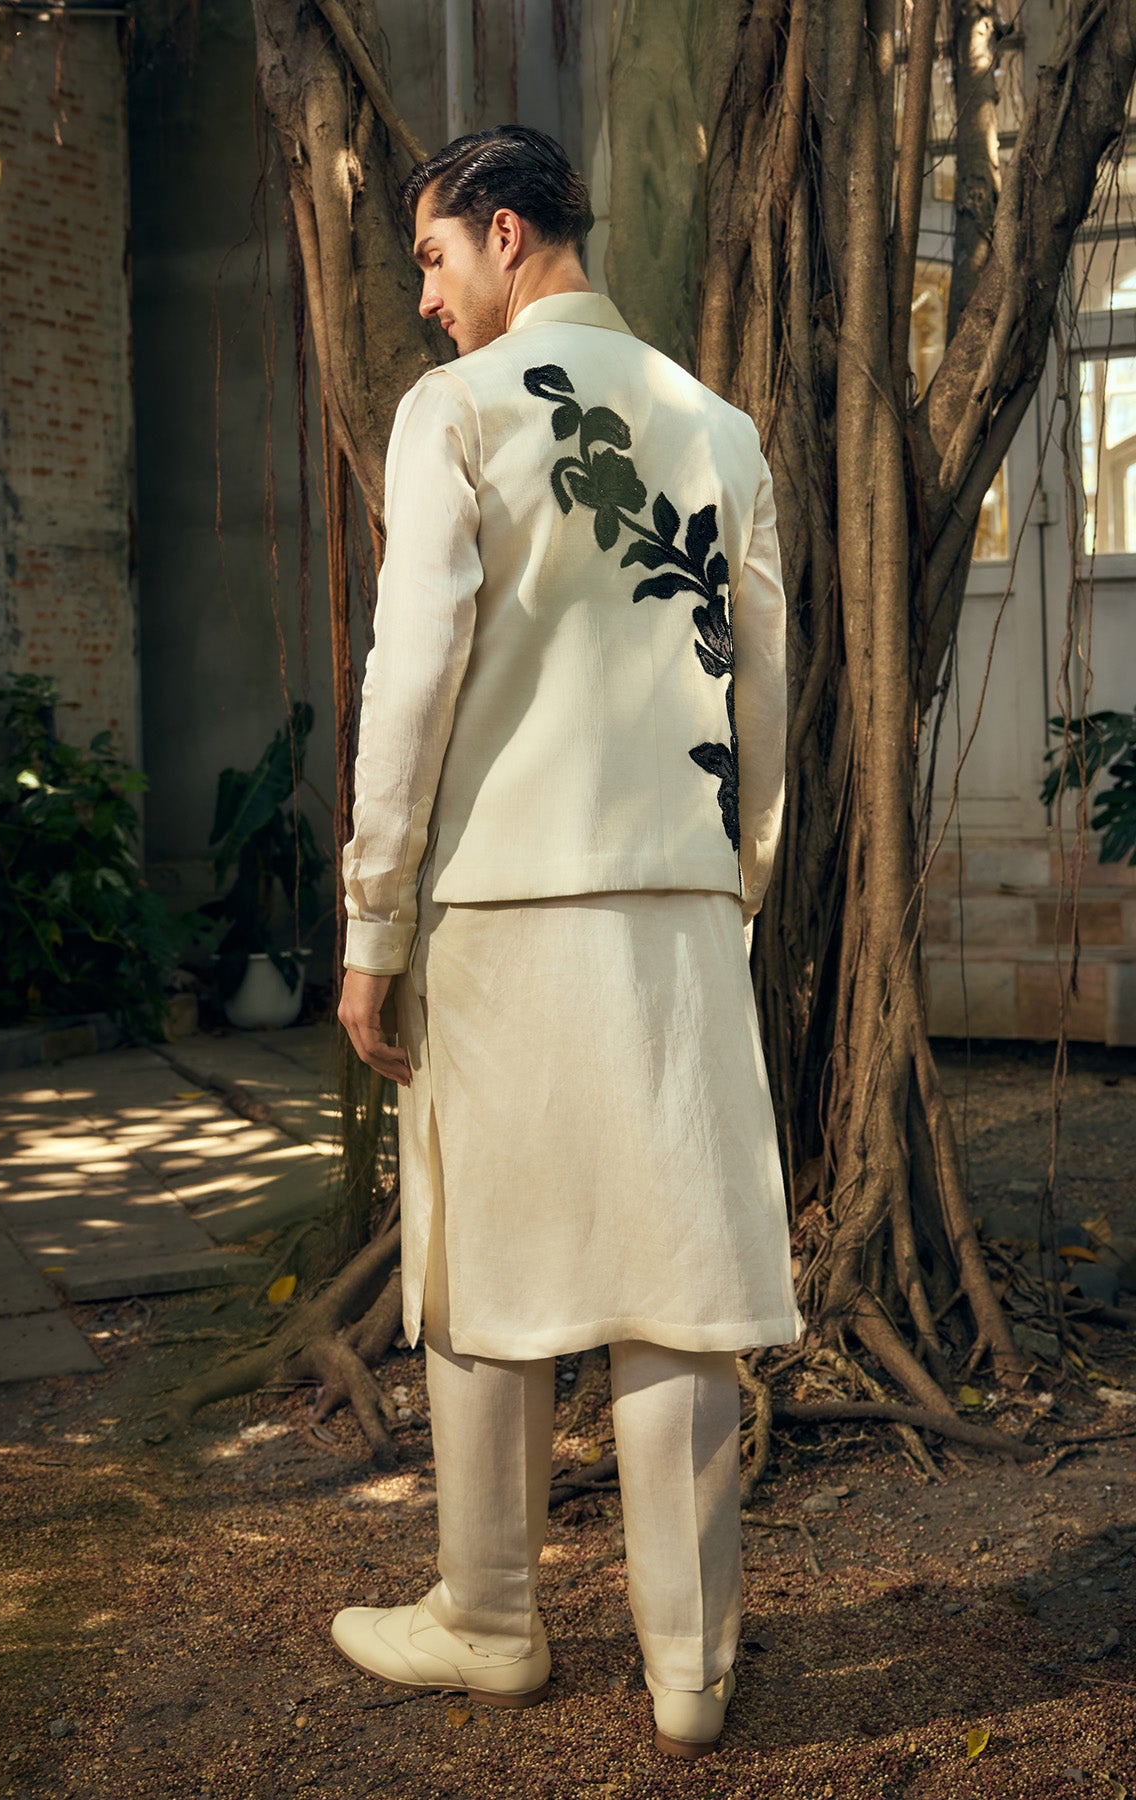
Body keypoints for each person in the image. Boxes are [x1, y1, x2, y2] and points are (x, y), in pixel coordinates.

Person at [333, 124, 803, 1761]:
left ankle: (490, 1620)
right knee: (680, 1276)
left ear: (507, 233)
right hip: (675, 905)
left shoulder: (456, 414)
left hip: (501, 906)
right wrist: (734, 878)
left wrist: (373, 915)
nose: (427, 298)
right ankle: (691, 1669)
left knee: (484, 1263)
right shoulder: (719, 426)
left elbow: (411, 676)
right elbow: (764, 679)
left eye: (434, 258)